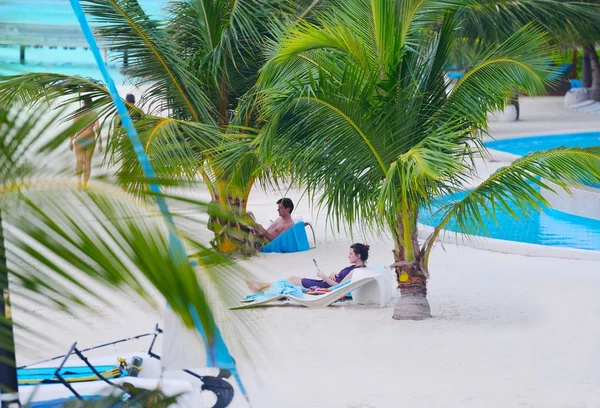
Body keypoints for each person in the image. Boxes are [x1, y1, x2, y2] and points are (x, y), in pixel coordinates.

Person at [245, 243, 370, 293]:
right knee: (291, 279)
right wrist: (333, 273)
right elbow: (341, 280)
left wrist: (323, 276)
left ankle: (261, 286)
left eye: (351, 254)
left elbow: (338, 286)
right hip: (326, 282)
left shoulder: (355, 271)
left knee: (292, 279)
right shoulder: (357, 267)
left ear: (358, 255)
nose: (348, 256)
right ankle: (261, 286)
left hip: (324, 286)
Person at [70, 97, 101, 190]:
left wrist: (70, 141)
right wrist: (100, 143)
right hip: (91, 139)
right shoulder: (94, 114)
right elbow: (97, 129)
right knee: (88, 163)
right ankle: (85, 184)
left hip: (79, 139)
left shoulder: (78, 113)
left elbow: (73, 129)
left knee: (79, 162)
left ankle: (79, 181)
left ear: (83, 103)